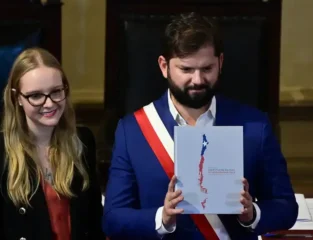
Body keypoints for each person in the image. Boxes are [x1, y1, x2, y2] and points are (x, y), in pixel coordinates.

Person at [102, 12, 298, 240]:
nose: (197, 80)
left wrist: (252, 214)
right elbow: (113, 219)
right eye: (186, 70)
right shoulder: (132, 130)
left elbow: (286, 208)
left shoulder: (255, 126)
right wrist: (161, 218)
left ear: (220, 63)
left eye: (207, 69)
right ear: (164, 66)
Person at [0, 47, 105, 240]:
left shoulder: (82, 140)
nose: (49, 103)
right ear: (18, 98)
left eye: (56, 92)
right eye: (36, 96)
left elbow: (94, 224)